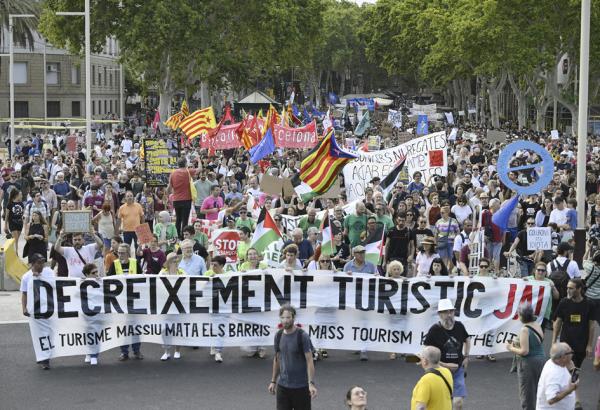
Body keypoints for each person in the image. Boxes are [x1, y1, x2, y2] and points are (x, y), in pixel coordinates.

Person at [552, 278, 595, 409]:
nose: (568, 290)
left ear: (579, 289)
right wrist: (554, 341)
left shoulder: (589, 304)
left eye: (571, 288)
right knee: (566, 370)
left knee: (575, 370)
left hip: (581, 344)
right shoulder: (564, 302)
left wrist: (589, 345)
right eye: (567, 288)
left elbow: (592, 325)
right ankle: (575, 398)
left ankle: (569, 395)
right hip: (565, 344)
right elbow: (558, 322)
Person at [424, 298, 470, 410]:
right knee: (442, 402)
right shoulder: (434, 330)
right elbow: (427, 350)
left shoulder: (459, 326)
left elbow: (467, 339)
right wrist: (442, 364)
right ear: (439, 314)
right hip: (440, 371)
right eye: (445, 312)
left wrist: (466, 356)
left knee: (458, 402)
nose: (449, 314)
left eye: (451, 311)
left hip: (457, 370)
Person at [268, 304, 317, 410]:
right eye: (283, 317)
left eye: (288, 317)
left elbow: (309, 361)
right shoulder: (278, 335)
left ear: (293, 318)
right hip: (283, 387)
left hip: (301, 387)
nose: (285, 320)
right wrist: (273, 381)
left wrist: (311, 383)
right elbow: (277, 359)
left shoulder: (302, 336)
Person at [506, 303, 546, 410]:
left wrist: (510, 348)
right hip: (541, 361)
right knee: (538, 390)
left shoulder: (525, 329)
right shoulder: (537, 324)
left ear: (522, 316)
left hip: (529, 364)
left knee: (527, 394)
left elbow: (524, 351)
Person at [20, 253, 54, 370]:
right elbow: (24, 294)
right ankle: (44, 359)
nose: (42, 265)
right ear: (32, 264)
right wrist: (24, 308)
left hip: (49, 308)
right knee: (39, 334)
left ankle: (44, 357)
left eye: (43, 262)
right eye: (39, 262)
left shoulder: (49, 272)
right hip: (35, 310)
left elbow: (57, 285)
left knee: (48, 333)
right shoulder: (26, 277)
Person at [536, 342, 578, 410]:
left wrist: (573, 371)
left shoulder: (557, 362)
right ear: (563, 357)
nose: (572, 354)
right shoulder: (553, 374)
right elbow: (551, 399)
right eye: (571, 352)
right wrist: (569, 390)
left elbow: (573, 380)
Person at [159, 253, 184, 361]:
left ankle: (177, 350)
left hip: (178, 305)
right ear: (168, 262)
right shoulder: (162, 273)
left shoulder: (182, 272)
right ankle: (166, 351)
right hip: (166, 305)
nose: (175, 262)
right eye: (173, 261)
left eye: (176, 261)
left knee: (178, 328)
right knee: (165, 329)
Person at [411, 346, 453, 410]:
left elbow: (421, 407)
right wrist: (424, 360)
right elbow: (434, 364)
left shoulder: (426, 380)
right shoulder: (447, 372)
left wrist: (424, 361)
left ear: (425, 361)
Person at [168, 158, 197, 238]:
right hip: (186, 199)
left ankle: (176, 236)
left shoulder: (173, 173)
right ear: (185, 164)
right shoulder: (188, 171)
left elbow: (169, 188)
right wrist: (198, 159)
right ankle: (184, 236)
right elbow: (200, 169)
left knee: (178, 219)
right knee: (185, 219)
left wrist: (167, 195)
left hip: (176, 199)